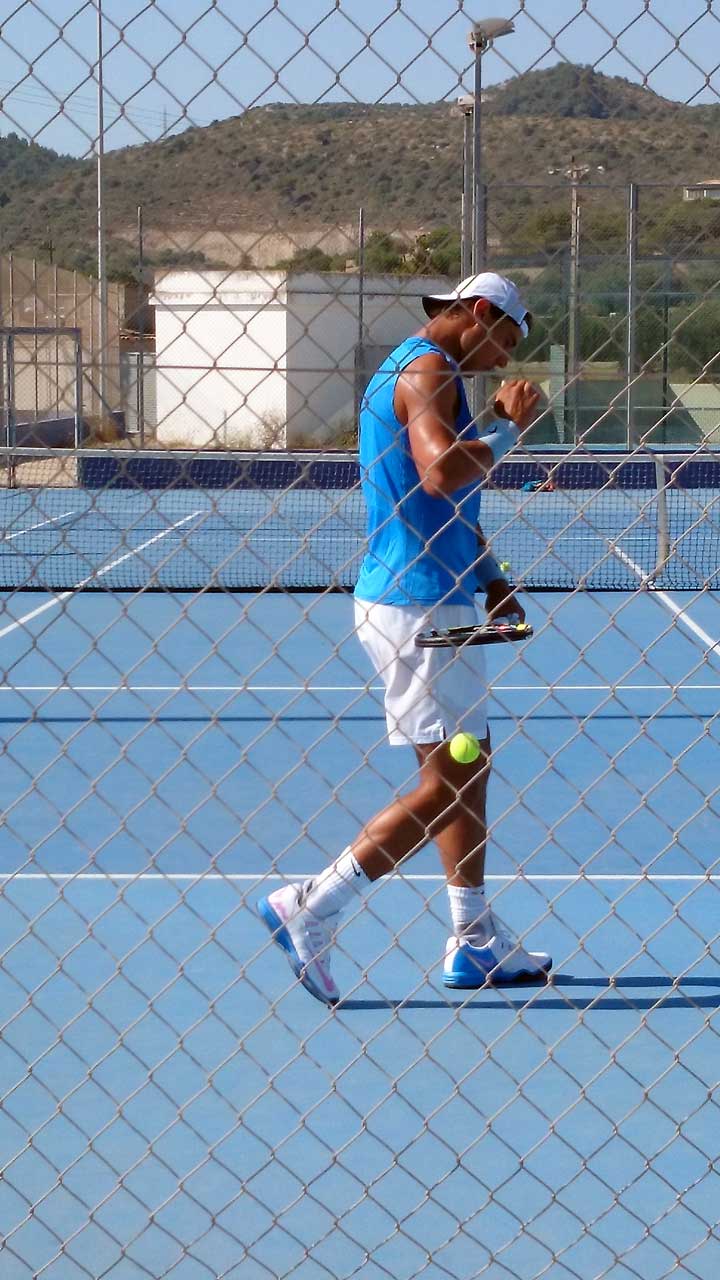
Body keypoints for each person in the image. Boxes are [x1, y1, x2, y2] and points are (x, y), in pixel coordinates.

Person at [259, 272, 552, 1005]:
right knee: (449, 779)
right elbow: (440, 472)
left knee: (469, 766)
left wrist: (489, 575)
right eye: (505, 341)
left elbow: (450, 505)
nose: (504, 364)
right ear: (479, 313)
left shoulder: (431, 368)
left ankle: (474, 940)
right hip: (419, 608)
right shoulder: (427, 368)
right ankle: (314, 904)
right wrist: (512, 428)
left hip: (440, 597)